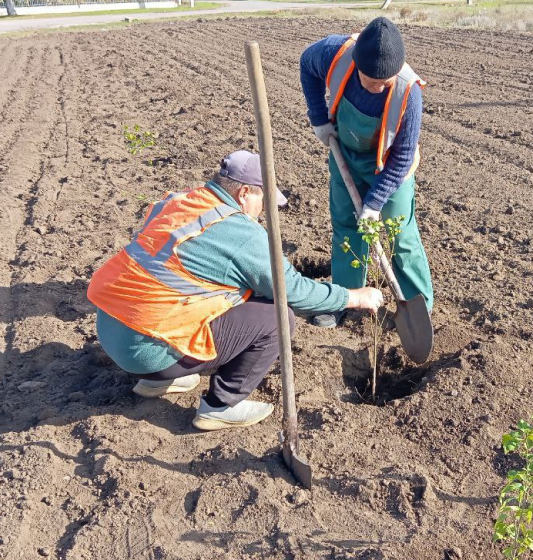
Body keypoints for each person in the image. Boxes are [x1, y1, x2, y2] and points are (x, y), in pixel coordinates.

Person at [87, 150, 383, 431]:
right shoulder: (240, 232)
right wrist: (354, 297)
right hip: (148, 352)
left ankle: (156, 381)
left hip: (114, 333)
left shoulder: (180, 202)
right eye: (263, 199)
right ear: (245, 193)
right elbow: (291, 289)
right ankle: (220, 406)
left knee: (234, 293)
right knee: (277, 318)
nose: (264, 209)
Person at [300, 16, 433, 328]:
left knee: (400, 233)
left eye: (383, 83)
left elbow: (401, 159)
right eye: (369, 80)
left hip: (390, 167)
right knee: (346, 228)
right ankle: (344, 300)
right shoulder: (334, 53)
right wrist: (318, 117)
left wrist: (374, 204)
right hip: (346, 153)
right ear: (357, 63)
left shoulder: (409, 94)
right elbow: (307, 63)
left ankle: (419, 309)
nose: (376, 87)